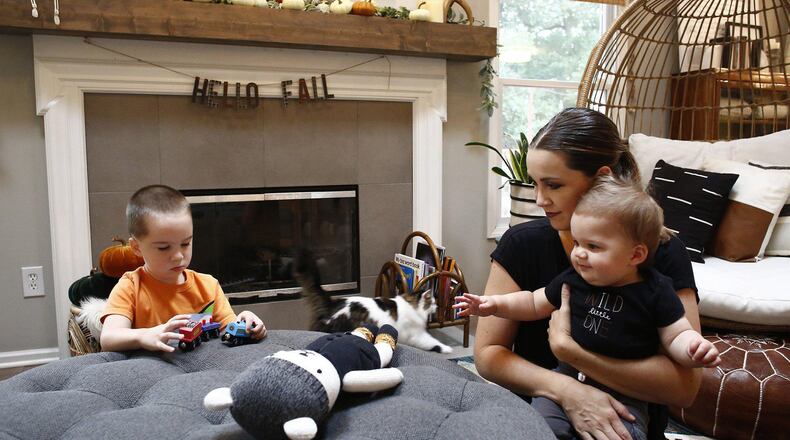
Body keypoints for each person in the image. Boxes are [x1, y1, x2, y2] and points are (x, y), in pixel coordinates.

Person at [473, 108, 703, 440]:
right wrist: (567, 390)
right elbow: (487, 355)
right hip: (537, 421)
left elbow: (685, 388)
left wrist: (572, 353)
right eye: (535, 183)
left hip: (626, 425)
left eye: (553, 185)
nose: (540, 200)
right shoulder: (522, 244)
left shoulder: (662, 252)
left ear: (600, 177)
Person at [101, 185, 267, 352]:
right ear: (136, 247)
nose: (178, 256)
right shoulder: (130, 286)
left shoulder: (208, 286)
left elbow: (228, 330)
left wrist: (246, 323)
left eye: (185, 243)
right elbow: (109, 338)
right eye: (164, 247)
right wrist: (144, 335)